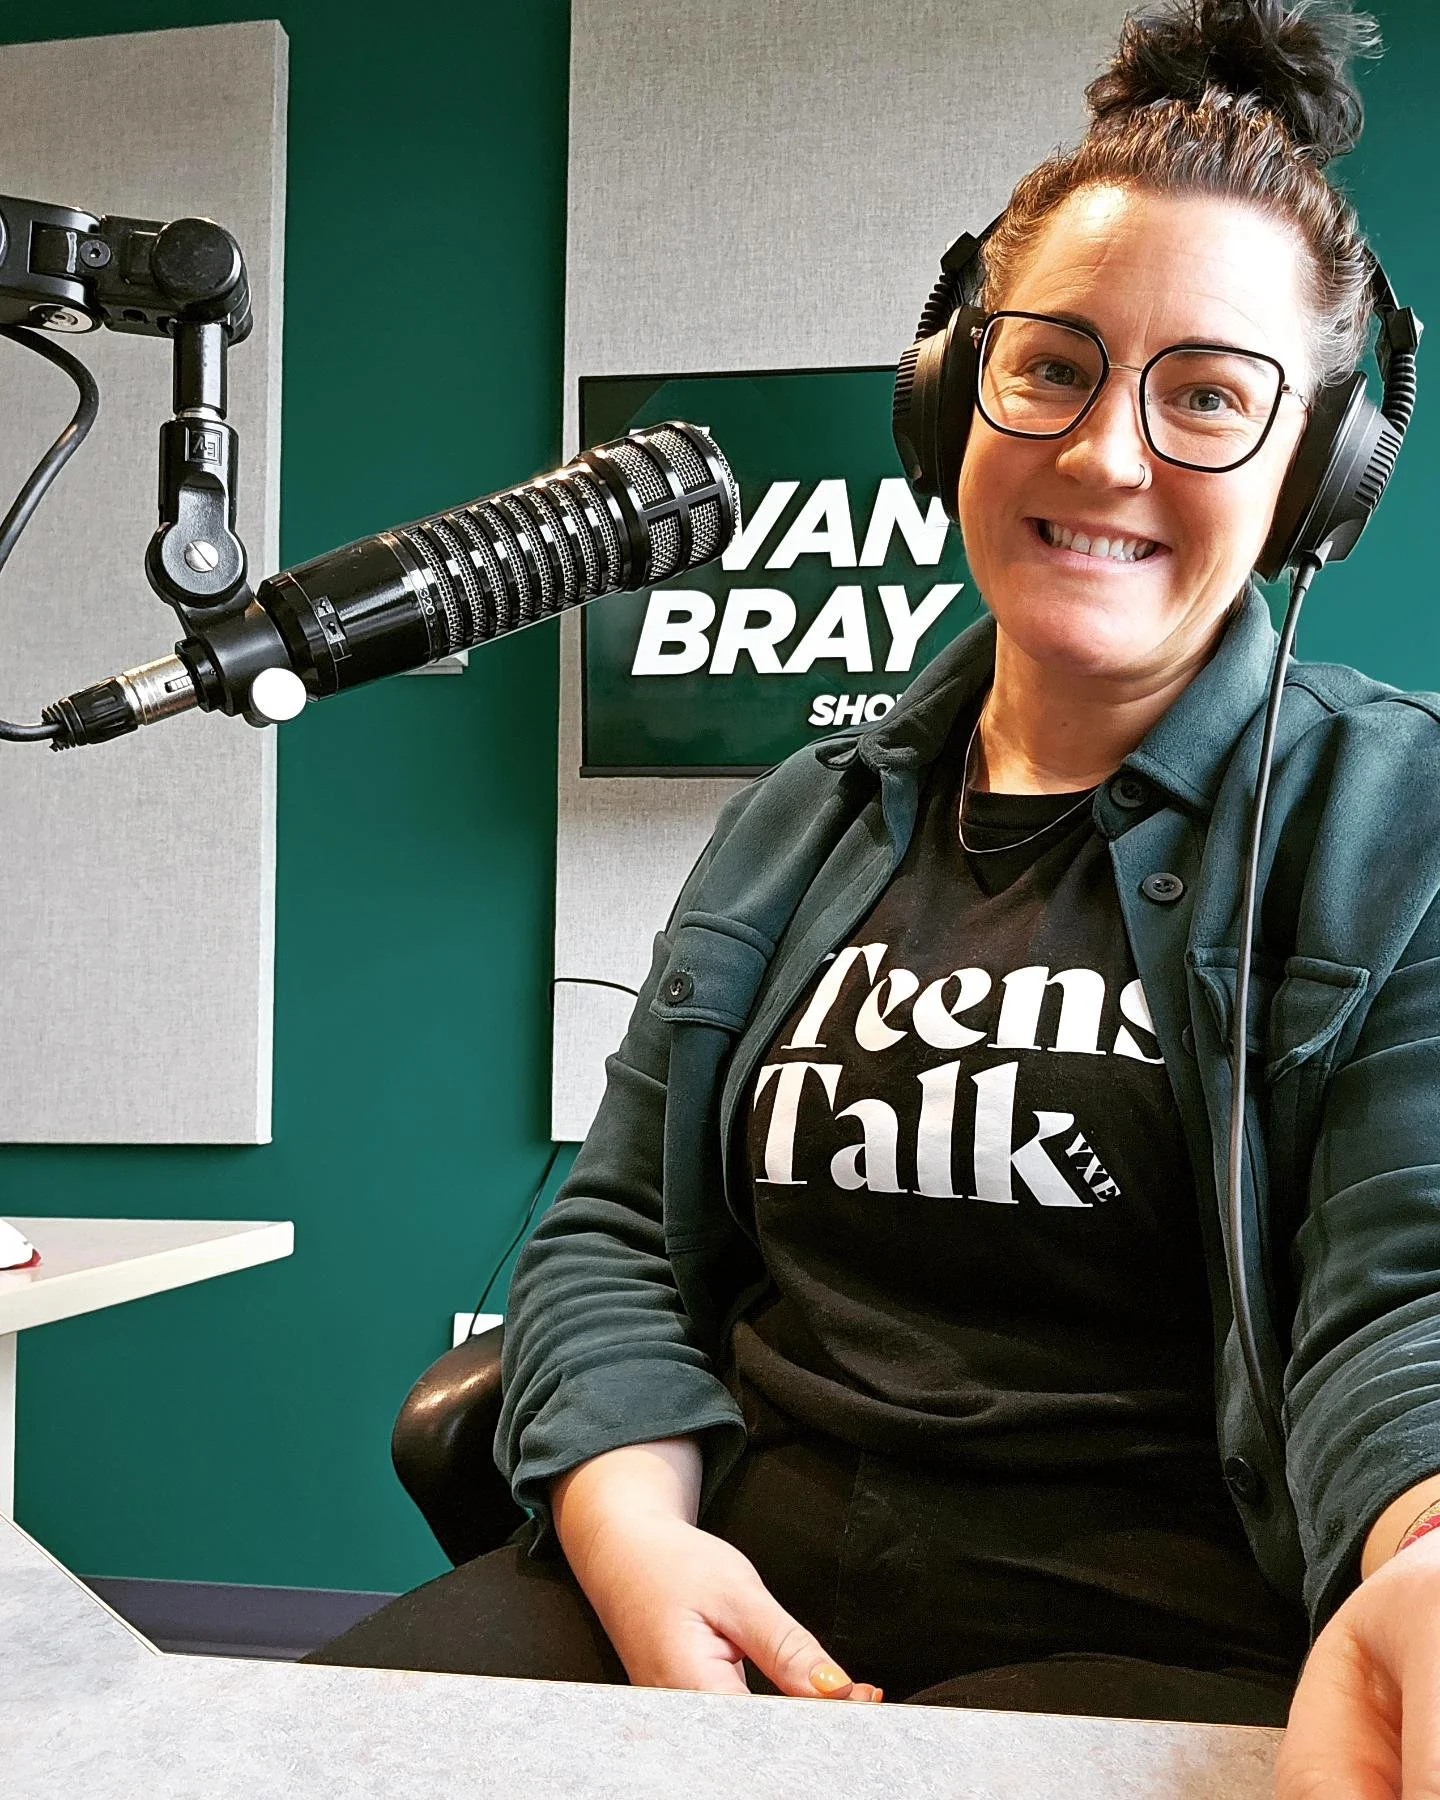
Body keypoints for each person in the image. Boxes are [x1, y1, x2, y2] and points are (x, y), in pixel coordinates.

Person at [313, 0, 1440, 1779]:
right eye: (1052, 365)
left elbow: (1410, 1290)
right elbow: (609, 1234)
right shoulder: (800, 816)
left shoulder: (1400, 818)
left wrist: (1429, 1560)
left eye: (1210, 395)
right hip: (729, 1581)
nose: (1112, 452)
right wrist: (629, 1528)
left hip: (1164, 1638)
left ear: (1319, 470)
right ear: (952, 389)